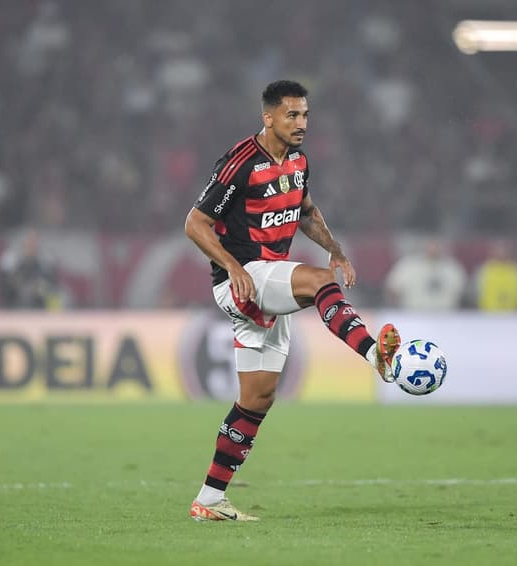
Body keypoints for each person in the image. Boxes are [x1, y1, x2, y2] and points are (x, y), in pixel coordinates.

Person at [184, 80, 401, 522]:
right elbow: (195, 223)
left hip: (266, 281)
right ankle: (373, 353)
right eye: (292, 115)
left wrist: (336, 248)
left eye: (305, 114)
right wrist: (235, 267)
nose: (302, 123)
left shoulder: (299, 161)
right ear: (268, 117)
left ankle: (208, 500)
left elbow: (304, 211)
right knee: (319, 281)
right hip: (241, 280)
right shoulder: (240, 163)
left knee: (257, 400)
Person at [384, 239, 467, 311]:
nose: (432, 248)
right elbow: (392, 289)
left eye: (436, 245)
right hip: (414, 317)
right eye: (430, 245)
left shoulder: (452, 268)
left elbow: (464, 293)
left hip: (447, 317)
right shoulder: (408, 266)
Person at [0, 227, 63, 310]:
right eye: (29, 241)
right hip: (13, 306)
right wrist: (23, 287)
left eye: (34, 241)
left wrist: (39, 288)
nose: (31, 244)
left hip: (39, 306)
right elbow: (4, 285)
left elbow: (52, 285)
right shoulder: (11, 260)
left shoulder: (45, 261)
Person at [473, 240, 517, 312]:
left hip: (513, 316)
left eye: (503, 250)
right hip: (488, 315)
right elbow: (477, 293)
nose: (501, 252)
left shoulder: (516, 271)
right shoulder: (485, 270)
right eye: (498, 249)